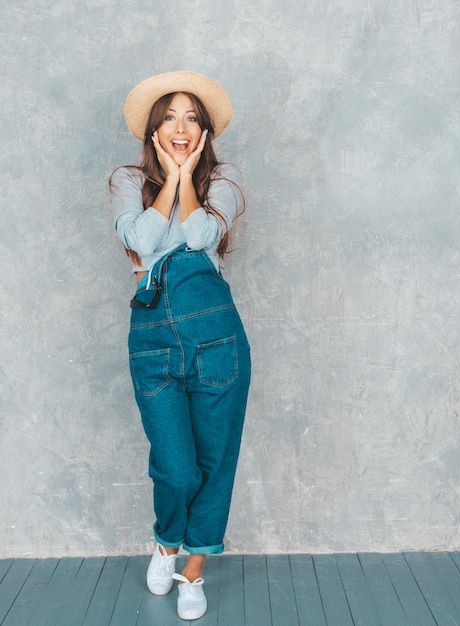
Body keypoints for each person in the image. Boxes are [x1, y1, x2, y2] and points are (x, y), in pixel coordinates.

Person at [109, 71, 251, 621]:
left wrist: (191, 175)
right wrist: (169, 177)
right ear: (152, 130)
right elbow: (141, 241)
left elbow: (199, 238)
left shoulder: (225, 177)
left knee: (216, 461)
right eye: (169, 117)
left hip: (217, 338)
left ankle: (192, 569)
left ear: (206, 129)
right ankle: (166, 540)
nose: (181, 127)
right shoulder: (127, 179)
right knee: (176, 468)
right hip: (153, 343)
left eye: (192, 117)